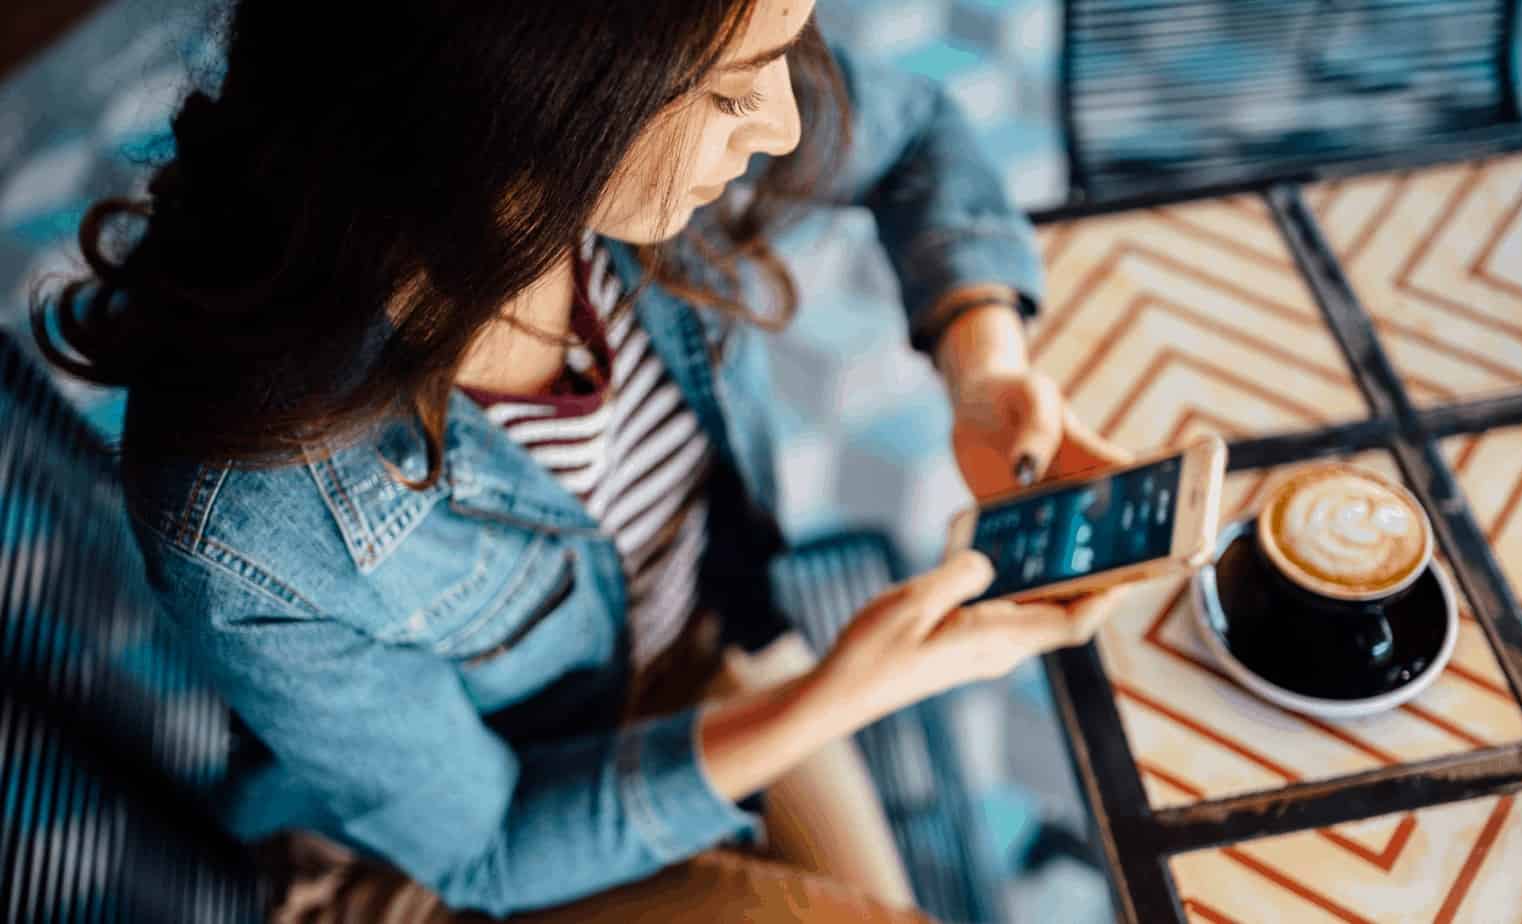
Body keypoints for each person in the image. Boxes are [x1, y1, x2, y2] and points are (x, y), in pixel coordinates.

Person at [33, 0, 1131, 920]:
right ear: (530, 90)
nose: (782, 121)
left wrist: (981, 358)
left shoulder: (615, 159)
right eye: (732, 90)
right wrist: (841, 693)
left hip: (688, 668)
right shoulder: (253, 511)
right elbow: (489, 845)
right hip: (447, 860)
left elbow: (913, 129)